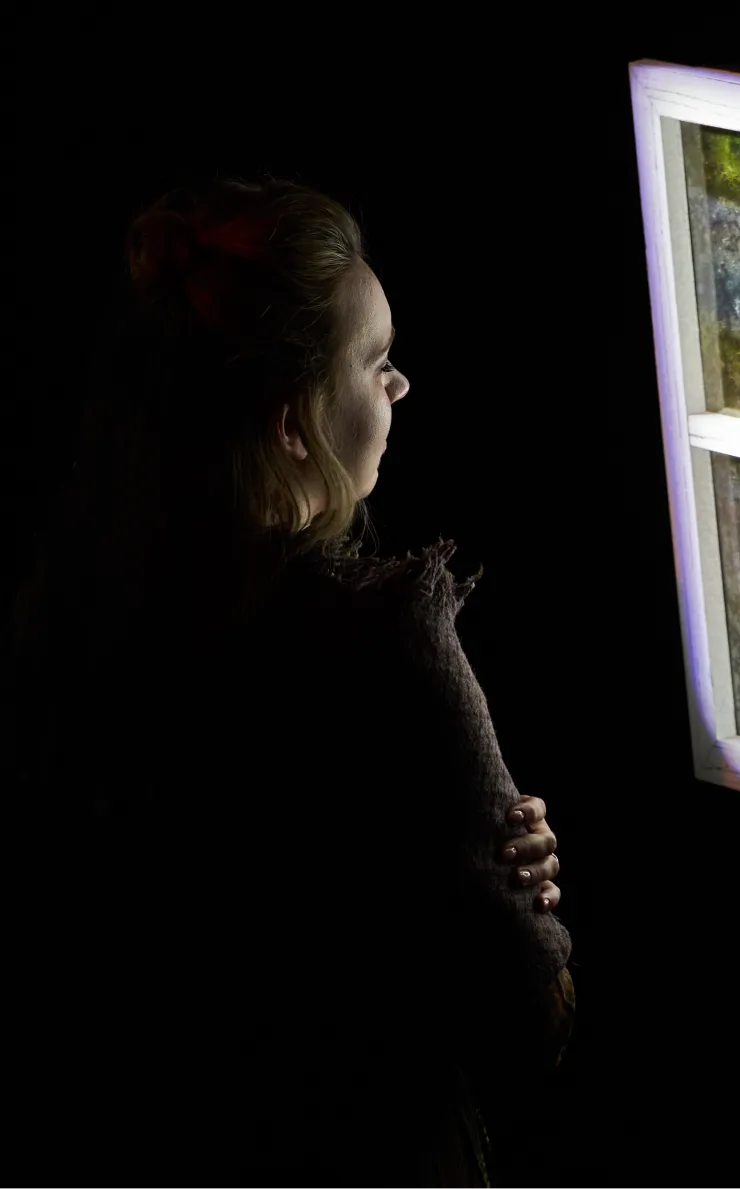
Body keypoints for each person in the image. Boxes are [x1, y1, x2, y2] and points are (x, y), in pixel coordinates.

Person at [1, 173, 575, 1185]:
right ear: (290, 427)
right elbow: (531, 1010)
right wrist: (504, 885)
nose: (399, 389)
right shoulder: (387, 640)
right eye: (375, 364)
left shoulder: (71, 612)